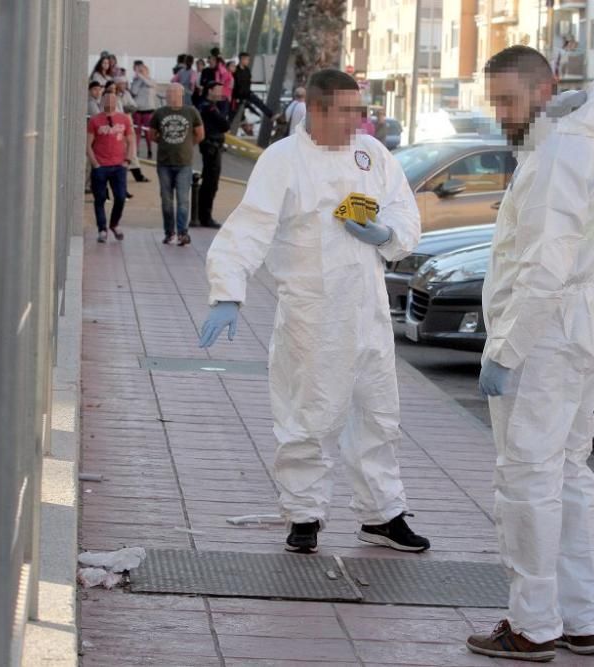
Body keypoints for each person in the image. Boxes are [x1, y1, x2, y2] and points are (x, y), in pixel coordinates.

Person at [199, 68, 428, 556]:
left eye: (359, 111)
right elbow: (251, 226)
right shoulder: (284, 160)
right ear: (317, 109)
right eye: (346, 111)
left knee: (379, 416)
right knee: (307, 415)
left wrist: (385, 234)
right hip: (312, 312)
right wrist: (227, 290)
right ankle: (304, 514)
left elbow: (405, 212)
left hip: (367, 310)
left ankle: (382, 514)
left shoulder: (372, 155)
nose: (356, 121)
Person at [463, 46, 594, 661]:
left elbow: (542, 268)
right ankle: (582, 617)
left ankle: (532, 625)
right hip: (584, 320)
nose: (502, 113)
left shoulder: (559, 154)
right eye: (496, 101)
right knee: (568, 475)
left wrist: (504, 350)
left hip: (548, 330)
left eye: (511, 99)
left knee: (526, 481)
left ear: (547, 89)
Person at [149, 84, 205, 245]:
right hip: (164, 163)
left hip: (184, 163)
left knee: (182, 200)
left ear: (181, 95)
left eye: (175, 93)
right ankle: (169, 232)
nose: (172, 96)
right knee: (166, 201)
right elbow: (152, 134)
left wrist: (187, 145)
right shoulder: (159, 113)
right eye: (169, 93)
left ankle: (182, 232)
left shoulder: (191, 112)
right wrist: (165, 142)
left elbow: (200, 134)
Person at [87, 91, 135, 243]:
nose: (109, 103)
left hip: (118, 166)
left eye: (112, 100)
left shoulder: (124, 119)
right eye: (106, 99)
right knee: (100, 198)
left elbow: (131, 140)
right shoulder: (95, 121)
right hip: (101, 165)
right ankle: (102, 228)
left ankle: (114, 223)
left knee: (120, 197)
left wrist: (127, 160)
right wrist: (95, 163)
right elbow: (88, 144)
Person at [196, 81, 230, 229]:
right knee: (210, 183)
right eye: (218, 90)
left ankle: (202, 214)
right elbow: (225, 124)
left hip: (214, 147)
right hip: (211, 147)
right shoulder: (207, 107)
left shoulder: (211, 106)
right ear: (210, 91)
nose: (220, 94)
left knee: (211, 183)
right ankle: (204, 216)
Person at [231, 52, 274, 128]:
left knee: (258, 102)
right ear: (242, 59)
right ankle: (229, 125)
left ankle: (271, 115)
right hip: (238, 95)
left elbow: (248, 81)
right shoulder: (236, 71)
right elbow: (235, 85)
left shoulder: (247, 70)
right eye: (247, 59)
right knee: (234, 112)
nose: (248, 61)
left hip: (247, 93)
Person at [131, 61, 159, 159]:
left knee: (147, 132)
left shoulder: (152, 81)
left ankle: (149, 149)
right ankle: (136, 150)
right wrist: (138, 80)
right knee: (137, 131)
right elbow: (134, 92)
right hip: (138, 109)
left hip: (149, 109)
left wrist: (142, 76)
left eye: (143, 70)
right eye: (139, 71)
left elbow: (149, 84)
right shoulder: (136, 81)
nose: (140, 72)